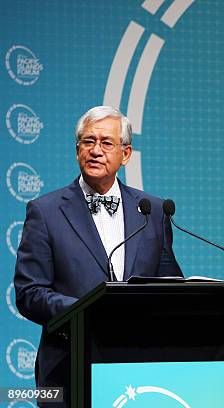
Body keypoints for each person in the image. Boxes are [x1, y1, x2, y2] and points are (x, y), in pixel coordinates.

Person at [13, 106, 183, 404]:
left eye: (106, 143)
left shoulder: (152, 211)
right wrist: (87, 310)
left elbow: (170, 285)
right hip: (69, 368)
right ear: (77, 149)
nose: (96, 150)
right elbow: (30, 293)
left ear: (126, 154)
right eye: (88, 141)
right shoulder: (46, 212)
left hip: (139, 371)